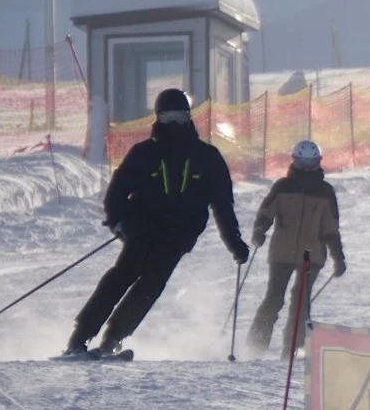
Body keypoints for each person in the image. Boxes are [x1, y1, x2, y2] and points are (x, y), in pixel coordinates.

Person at [62, 88, 249, 357]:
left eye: (180, 117)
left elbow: (222, 205)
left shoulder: (206, 157)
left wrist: (235, 244)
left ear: (189, 118)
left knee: (149, 289)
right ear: (158, 118)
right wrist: (120, 222)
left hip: (177, 238)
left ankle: (112, 339)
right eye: (168, 117)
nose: (174, 124)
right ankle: (79, 339)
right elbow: (116, 193)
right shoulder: (143, 153)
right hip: (143, 232)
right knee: (118, 280)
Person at [247, 140, 345, 358]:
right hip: (282, 251)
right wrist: (260, 230)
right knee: (274, 298)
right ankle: (255, 346)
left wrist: (338, 257)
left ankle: (292, 348)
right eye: (303, 162)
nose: (307, 167)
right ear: (295, 160)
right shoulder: (283, 186)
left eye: (312, 162)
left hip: (312, 255)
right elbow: (266, 212)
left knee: (301, 300)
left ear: (318, 163)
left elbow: (331, 227)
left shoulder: (325, 192)